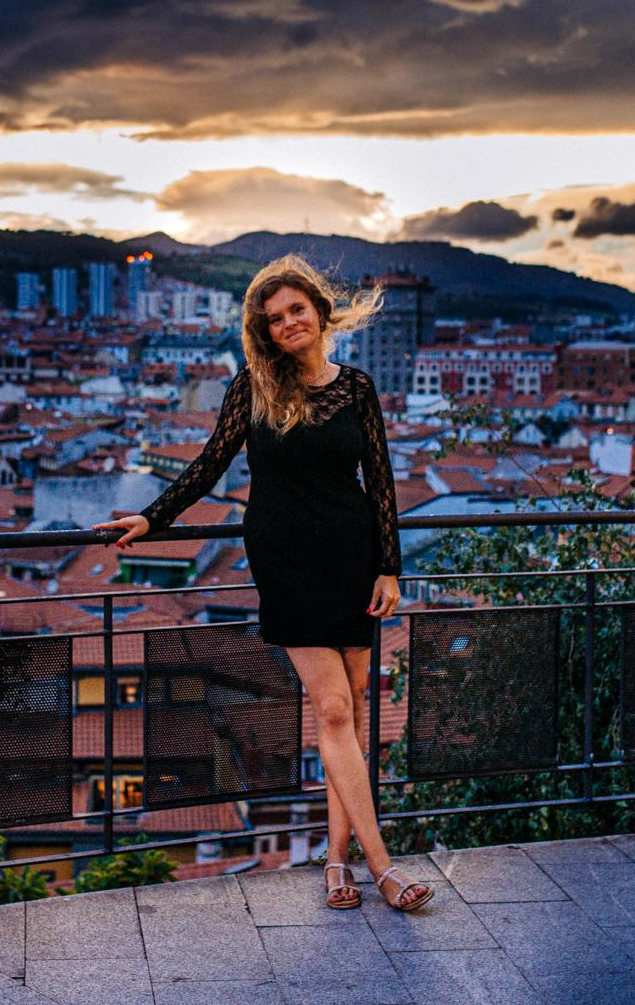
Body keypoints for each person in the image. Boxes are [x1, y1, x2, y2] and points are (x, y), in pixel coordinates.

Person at [94, 255, 433, 914]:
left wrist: (389, 567)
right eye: (273, 319)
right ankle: (383, 865)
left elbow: (383, 482)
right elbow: (208, 463)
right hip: (286, 563)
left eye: (295, 310)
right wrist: (152, 516)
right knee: (334, 710)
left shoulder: (358, 389)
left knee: (352, 715)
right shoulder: (251, 387)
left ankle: (337, 861)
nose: (287, 323)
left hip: (353, 558)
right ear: (263, 330)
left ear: (319, 309)